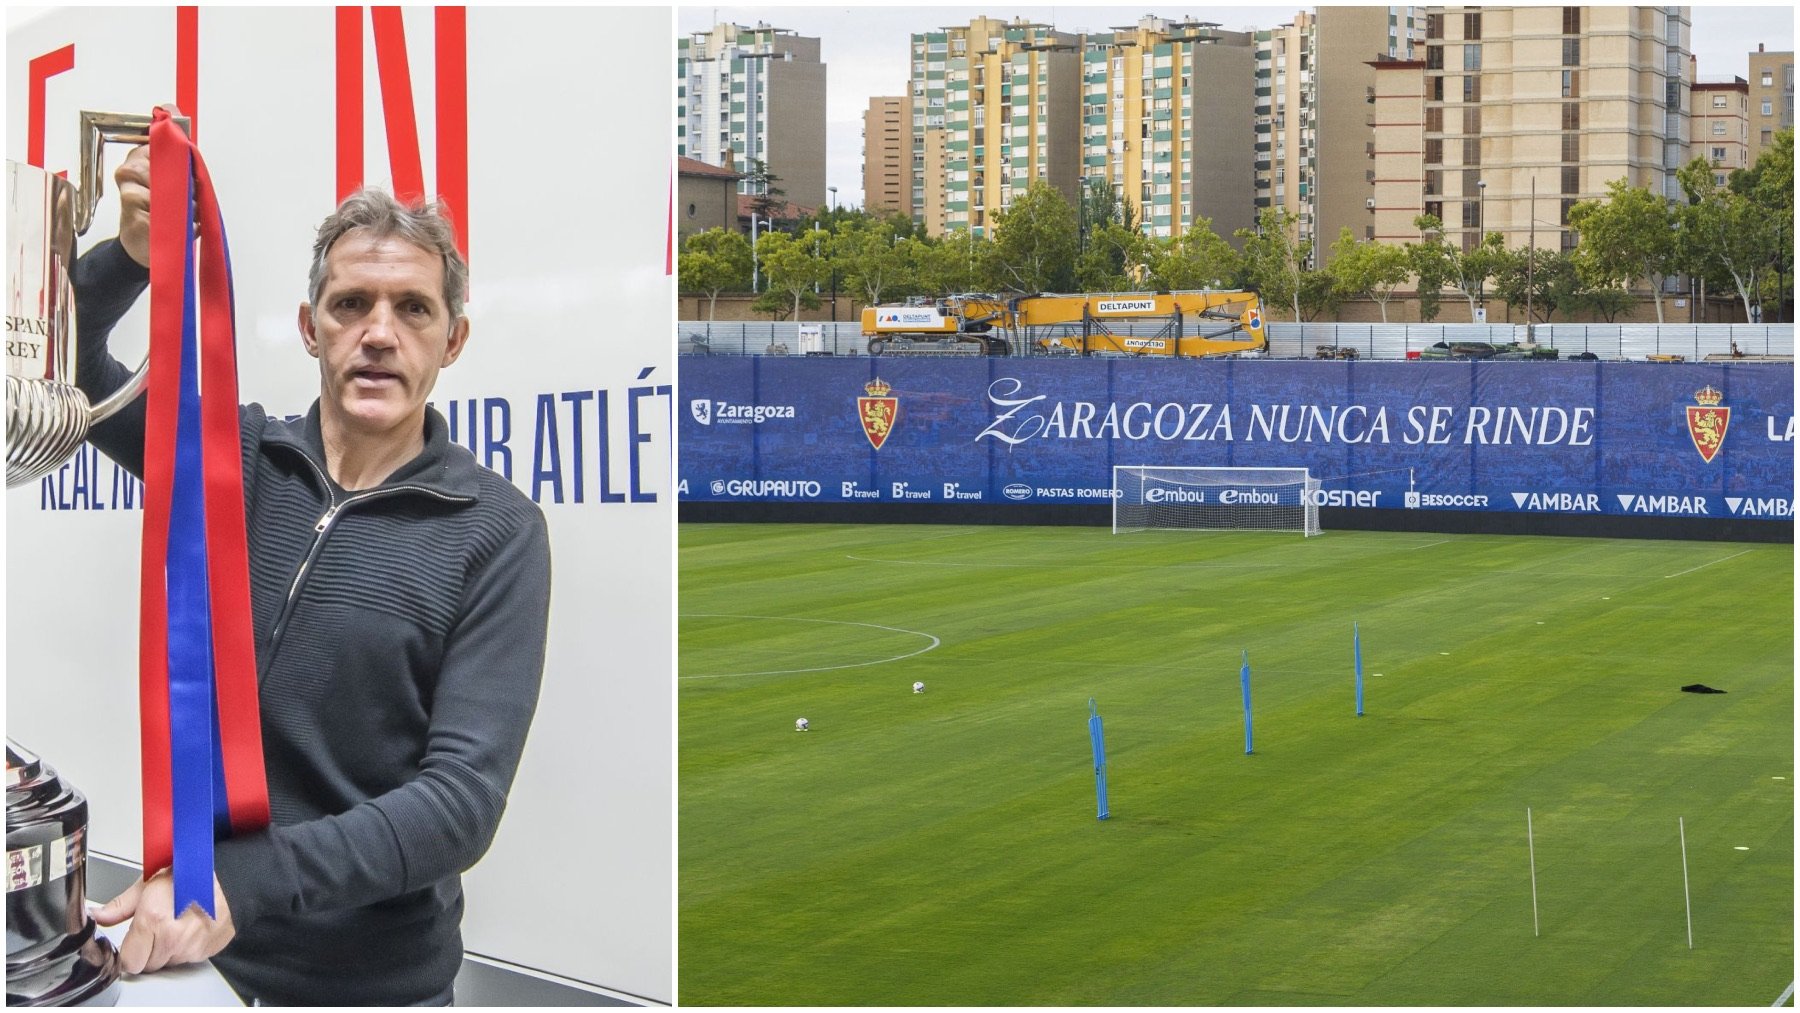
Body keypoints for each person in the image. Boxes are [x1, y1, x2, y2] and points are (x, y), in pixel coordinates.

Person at [72, 138, 552, 1006]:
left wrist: (239, 884)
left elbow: (459, 803)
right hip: (192, 968)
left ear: (453, 339)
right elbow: (65, 367)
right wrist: (129, 257)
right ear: (309, 327)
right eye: (350, 304)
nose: (378, 332)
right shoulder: (231, 459)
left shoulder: (498, 531)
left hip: (372, 987)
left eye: (412, 309)